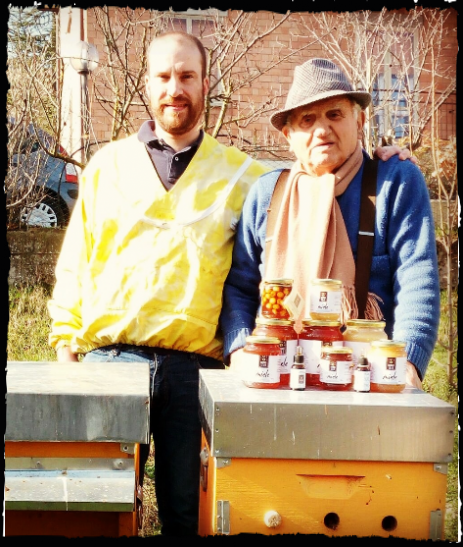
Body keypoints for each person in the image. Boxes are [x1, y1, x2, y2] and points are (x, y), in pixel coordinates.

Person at [48, 35, 414, 536]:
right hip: (109, 364)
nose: (174, 88)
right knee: (99, 514)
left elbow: (308, 177)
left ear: (205, 84)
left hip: (194, 369)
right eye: (163, 76)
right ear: (147, 83)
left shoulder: (244, 175)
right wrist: (67, 350)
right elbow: (74, 266)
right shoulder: (104, 167)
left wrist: (381, 159)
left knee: (187, 514)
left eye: (187, 76)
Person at [220, 58, 440, 390]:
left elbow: (417, 280)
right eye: (307, 120)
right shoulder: (266, 194)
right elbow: (239, 286)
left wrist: (407, 365)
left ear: (360, 120)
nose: (322, 130)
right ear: (288, 135)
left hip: (371, 382)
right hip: (276, 377)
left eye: (334, 114)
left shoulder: (396, 181)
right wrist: (239, 351)